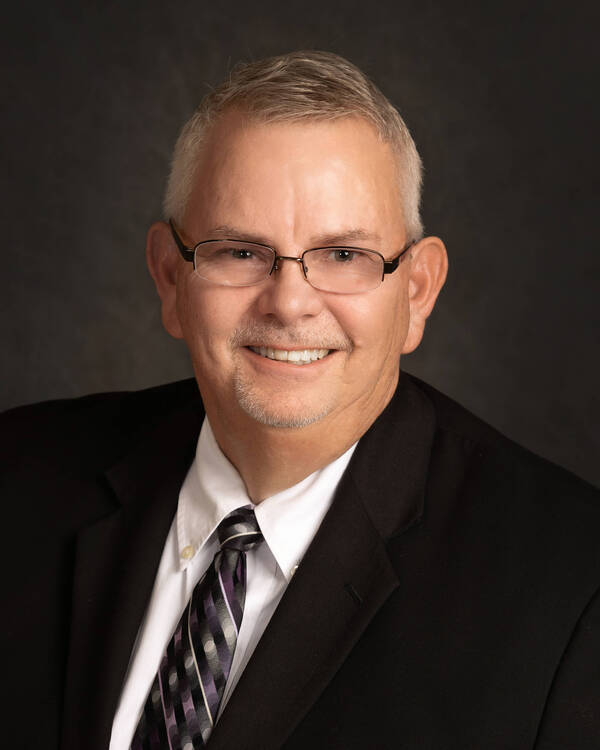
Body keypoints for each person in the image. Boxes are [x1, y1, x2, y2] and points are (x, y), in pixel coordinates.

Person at [3, 51, 599, 750]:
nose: (289, 303)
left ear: (416, 292)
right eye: (239, 251)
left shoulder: (570, 590)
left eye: (343, 255)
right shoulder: (17, 478)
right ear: (169, 279)